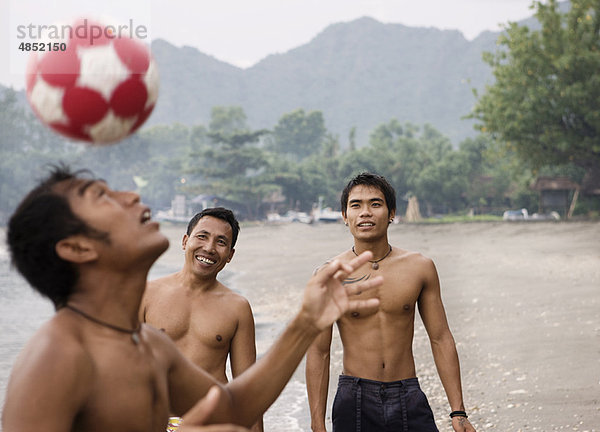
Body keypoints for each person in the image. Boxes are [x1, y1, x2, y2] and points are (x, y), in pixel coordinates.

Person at [2, 165, 382, 432]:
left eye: (221, 241)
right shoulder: (56, 357)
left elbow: (233, 406)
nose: (132, 195)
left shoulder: (145, 343)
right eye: (102, 197)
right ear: (78, 248)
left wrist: (305, 323)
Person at [305, 172, 476, 432]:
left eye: (375, 204)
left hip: (407, 392)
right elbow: (319, 351)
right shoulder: (330, 275)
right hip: (355, 396)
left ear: (392, 212)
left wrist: (458, 411)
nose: (365, 213)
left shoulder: (420, 267)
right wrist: (317, 422)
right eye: (356, 205)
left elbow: (440, 337)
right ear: (344, 216)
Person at [140, 208, 263, 431]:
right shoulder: (146, 295)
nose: (209, 248)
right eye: (202, 236)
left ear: (230, 255)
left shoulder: (237, 308)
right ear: (185, 241)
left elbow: (248, 388)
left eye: (221, 242)